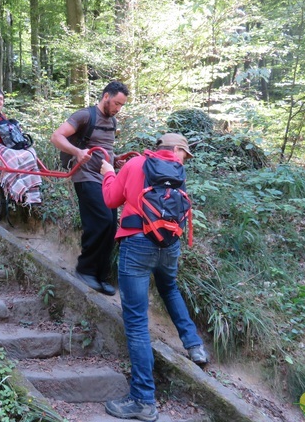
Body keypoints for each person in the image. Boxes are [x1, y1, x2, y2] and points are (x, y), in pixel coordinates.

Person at [100, 133, 208, 421]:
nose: (184, 158)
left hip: (136, 243)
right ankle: (194, 345)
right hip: (169, 244)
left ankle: (143, 400)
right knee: (169, 288)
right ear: (173, 150)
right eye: (184, 152)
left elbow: (111, 200)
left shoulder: (135, 165)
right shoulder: (179, 172)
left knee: (136, 323)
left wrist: (109, 173)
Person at [50, 81, 129, 296]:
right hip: (84, 175)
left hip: (105, 177)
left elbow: (106, 148)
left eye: (121, 105)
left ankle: (100, 275)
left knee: (112, 225)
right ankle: (85, 269)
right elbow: (56, 136)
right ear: (106, 96)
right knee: (101, 219)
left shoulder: (112, 121)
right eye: (116, 103)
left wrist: (116, 159)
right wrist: (76, 151)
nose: (118, 109)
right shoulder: (85, 116)